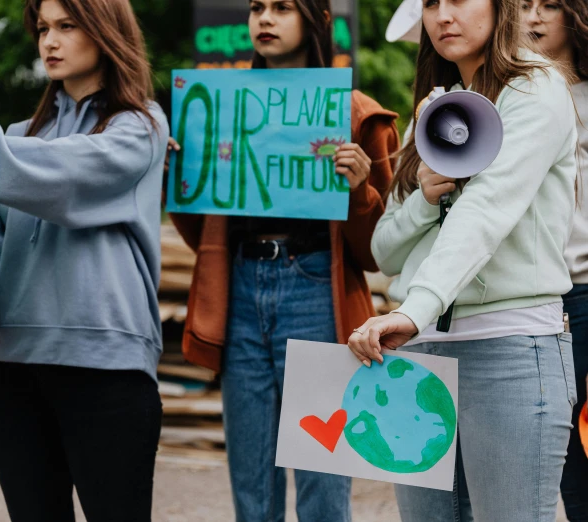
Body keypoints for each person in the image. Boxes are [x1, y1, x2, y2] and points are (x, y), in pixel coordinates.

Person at [0, 0, 168, 520]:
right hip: (13, 373)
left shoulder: (141, 129)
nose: (49, 41)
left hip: (107, 370)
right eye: (43, 28)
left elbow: (64, 175)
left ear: (106, 32)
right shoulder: (17, 140)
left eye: (67, 26)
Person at [167, 0, 400, 519]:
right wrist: (179, 179)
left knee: (323, 472)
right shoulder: (219, 112)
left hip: (316, 288)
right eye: (256, 8)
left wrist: (361, 190)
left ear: (314, 19)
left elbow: (377, 252)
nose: (263, 19)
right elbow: (200, 236)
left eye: (281, 8)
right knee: (251, 478)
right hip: (241, 288)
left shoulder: (358, 116)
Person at [349, 0, 579, 520]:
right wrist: (425, 201)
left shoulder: (538, 90)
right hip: (421, 351)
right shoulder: (436, 108)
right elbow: (384, 251)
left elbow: (486, 210)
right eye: (430, 3)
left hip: (510, 350)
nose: (442, 16)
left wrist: (412, 309)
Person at [522, 0, 588, 519]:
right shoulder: (510, 100)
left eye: (548, 4)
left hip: (586, 290)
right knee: (559, 448)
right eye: (522, 5)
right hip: (539, 295)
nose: (533, 16)